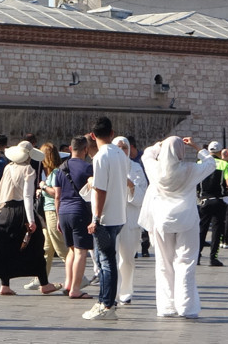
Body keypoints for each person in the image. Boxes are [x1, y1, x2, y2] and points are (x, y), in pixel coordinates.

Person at [139, 136, 215, 318]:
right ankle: (187, 308)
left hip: (162, 220)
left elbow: (146, 154)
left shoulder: (154, 168)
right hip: (186, 219)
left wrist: (160, 144)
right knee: (186, 262)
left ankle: (166, 307)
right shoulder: (190, 169)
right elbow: (211, 163)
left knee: (164, 264)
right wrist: (197, 147)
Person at [0, 141, 59, 296]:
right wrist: (31, 220)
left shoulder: (8, 168)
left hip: (6, 211)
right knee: (36, 246)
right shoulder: (28, 170)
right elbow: (27, 196)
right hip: (22, 212)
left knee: (5, 247)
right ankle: (44, 283)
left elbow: (1, 190)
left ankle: (4, 285)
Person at [83, 117, 127, 320]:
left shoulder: (100, 157)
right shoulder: (120, 153)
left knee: (105, 262)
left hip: (105, 217)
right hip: (119, 214)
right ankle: (104, 301)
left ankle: (107, 305)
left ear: (93, 136)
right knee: (107, 260)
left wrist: (96, 218)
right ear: (112, 132)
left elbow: (100, 190)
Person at [55, 135, 94, 299]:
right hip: (79, 212)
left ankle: (68, 283)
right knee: (81, 252)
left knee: (71, 250)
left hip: (63, 212)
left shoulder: (60, 168)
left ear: (71, 149)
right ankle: (76, 289)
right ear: (85, 149)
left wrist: (58, 218)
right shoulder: (88, 169)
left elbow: (57, 196)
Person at [28, 142, 68, 290]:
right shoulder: (51, 172)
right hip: (47, 211)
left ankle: (77, 277)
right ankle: (41, 278)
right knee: (46, 248)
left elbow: (57, 193)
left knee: (61, 248)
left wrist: (43, 187)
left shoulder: (56, 173)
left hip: (52, 211)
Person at [113, 136, 147, 305]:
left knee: (127, 259)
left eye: (125, 147)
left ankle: (125, 292)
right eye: (118, 147)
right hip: (110, 218)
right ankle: (112, 290)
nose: (122, 150)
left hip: (130, 219)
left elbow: (142, 197)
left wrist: (131, 186)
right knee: (110, 257)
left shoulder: (136, 168)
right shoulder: (106, 165)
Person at [197, 141, 228, 267]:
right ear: (219, 152)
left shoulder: (200, 163)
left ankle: (197, 256)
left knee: (202, 229)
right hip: (218, 200)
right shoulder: (224, 164)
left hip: (204, 201)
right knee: (217, 230)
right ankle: (213, 258)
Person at [127, 136, 151, 258]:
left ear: (131, 147)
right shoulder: (125, 162)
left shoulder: (143, 159)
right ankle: (134, 249)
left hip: (146, 192)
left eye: (125, 148)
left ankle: (145, 248)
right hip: (131, 195)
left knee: (145, 220)